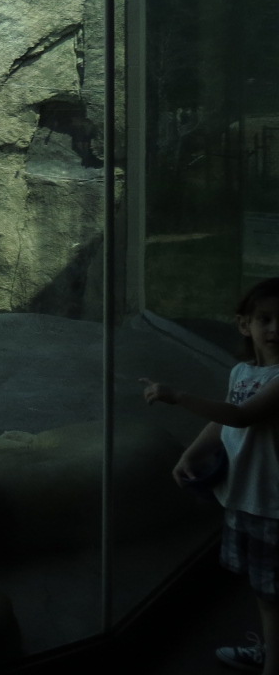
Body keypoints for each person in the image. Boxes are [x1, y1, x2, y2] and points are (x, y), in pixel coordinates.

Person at [143, 277, 279, 675]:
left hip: (273, 506)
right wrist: (193, 451)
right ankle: (270, 652)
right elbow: (229, 416)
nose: (275, 329)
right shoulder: (243, 372)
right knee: (263, 591)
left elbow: (241, 416)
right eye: (265, 319)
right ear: (244, 324)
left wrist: (178, 396)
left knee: (272, 596)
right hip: (246, 499)